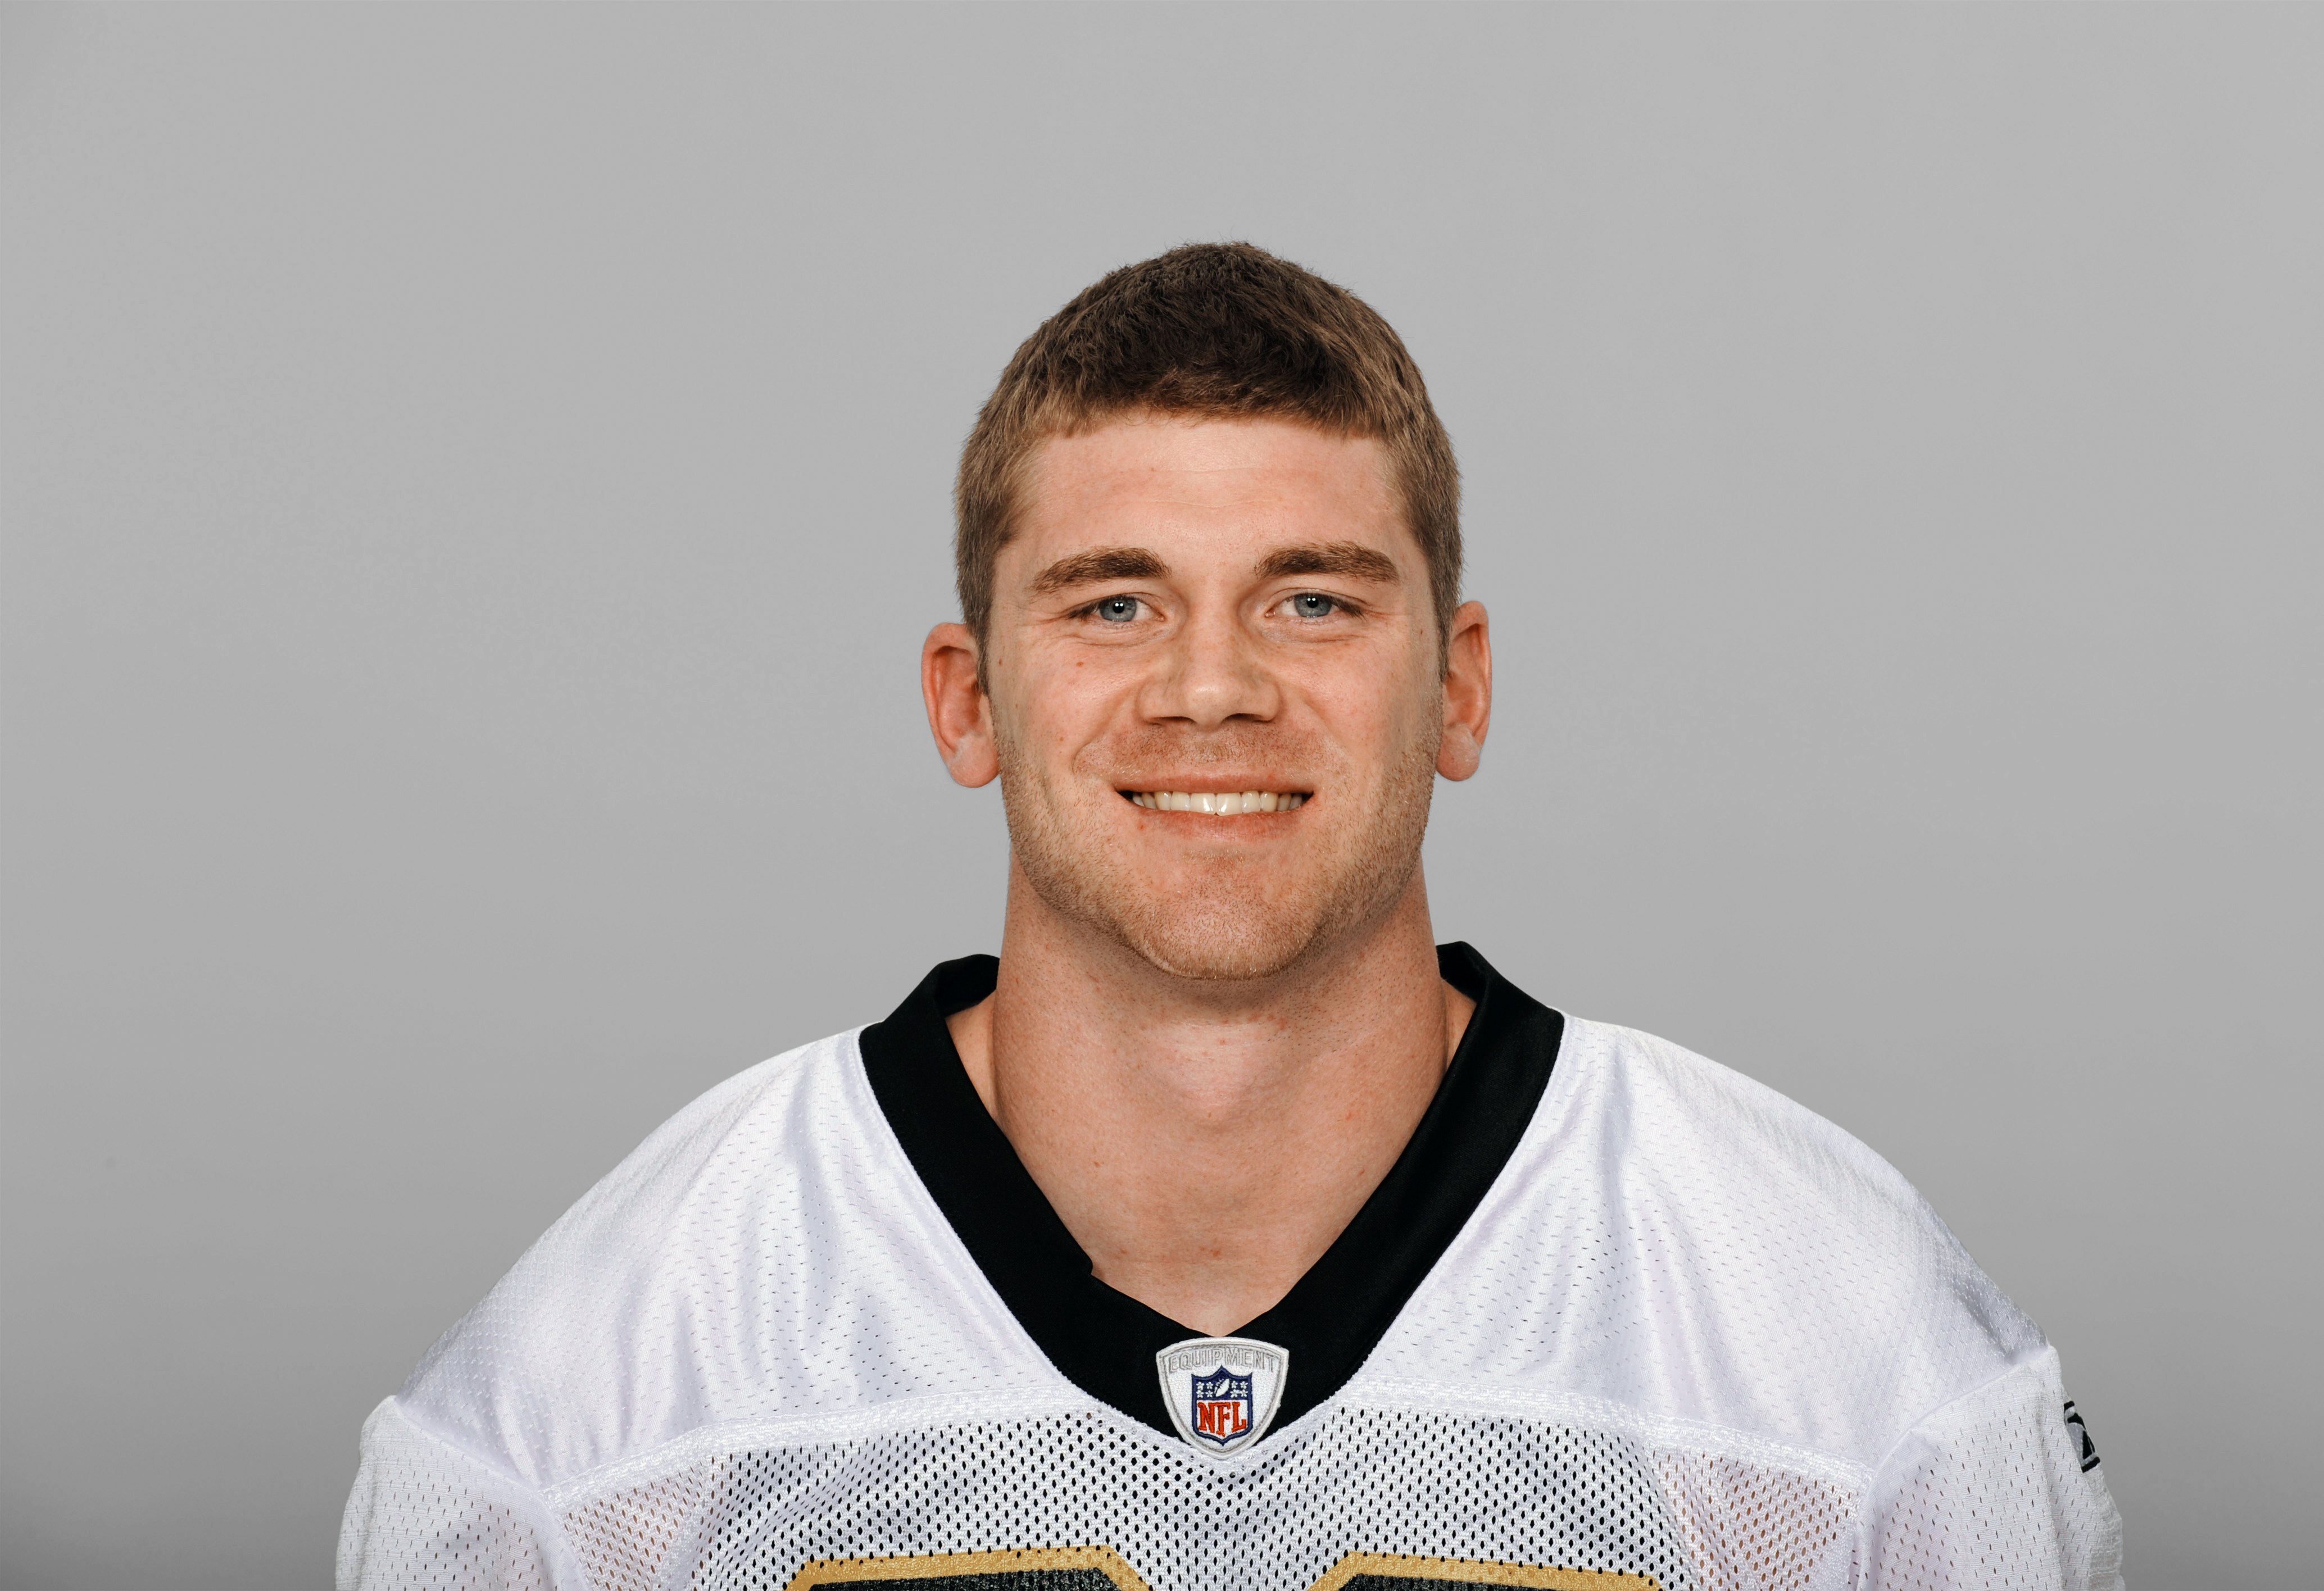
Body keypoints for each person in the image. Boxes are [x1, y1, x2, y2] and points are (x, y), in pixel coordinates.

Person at [338, 243, 2123, 1591]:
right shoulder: (618, 1366)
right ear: (966, 699)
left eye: (1316, 603)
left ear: (1462, 689)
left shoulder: (1829, 1326)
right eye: (1113, 604)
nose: (1212, 687)